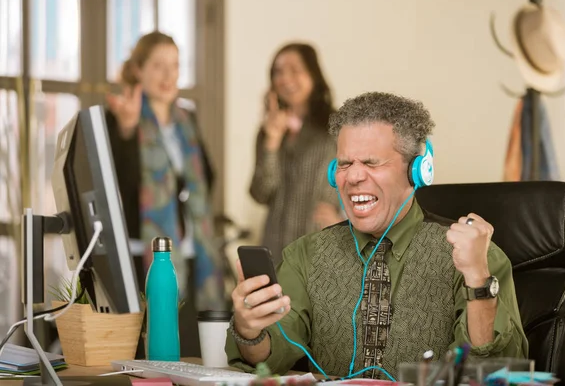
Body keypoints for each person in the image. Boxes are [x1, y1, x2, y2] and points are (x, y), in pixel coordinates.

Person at [225, 92, 528, 378]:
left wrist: (477, 281)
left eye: (371, 162)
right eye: (344, 164)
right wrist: (250, 330)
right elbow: (269, 357)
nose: (353, 177)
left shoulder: (478, 258)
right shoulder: (306, 254)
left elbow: (496, 373)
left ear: (418, 171)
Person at [105, 32, 227, 354]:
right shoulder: (120, 119)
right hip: (141, 258)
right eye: (158, 65)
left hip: (190, 256)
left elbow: (207, 179)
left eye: (174, 65)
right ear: (138, 70)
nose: (168, 75)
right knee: (148, 353)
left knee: (187, 350)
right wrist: (128, 130)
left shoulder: (187, 119)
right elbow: (121, 187)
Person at [249, 43, 342, 265]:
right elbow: (261, 193)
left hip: (318, 245)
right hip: (276, 247)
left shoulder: (336, 127)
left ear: (313, 74)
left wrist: (343, 222)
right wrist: (272, 141)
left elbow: (357, 179)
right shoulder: (268, 131)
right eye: (278, 72)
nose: (285, 78)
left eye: (294, 69)